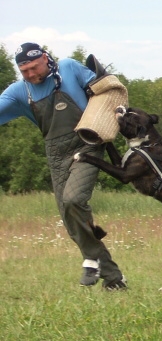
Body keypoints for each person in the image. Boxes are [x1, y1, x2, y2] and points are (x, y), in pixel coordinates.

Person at [0, 42, 127, 290]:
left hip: (87, 145)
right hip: (56, 155)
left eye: (34, 68)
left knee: (72, 200)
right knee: (71, 221)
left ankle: (92, 259)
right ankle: (113, 279)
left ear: (46, 59)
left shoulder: (69, 68)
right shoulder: (19, 92)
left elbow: (107, 90)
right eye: (24, 71)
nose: (31, 75)